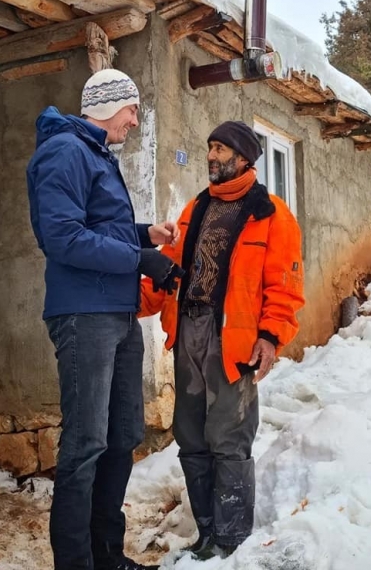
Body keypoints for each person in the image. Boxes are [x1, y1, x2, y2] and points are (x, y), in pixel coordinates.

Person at [27, 68, 184, 570]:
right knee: (86, 443)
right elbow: (63, 238)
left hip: (118, 312)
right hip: (83, 314)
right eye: (133, 110)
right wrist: (139, 259)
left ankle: (107, 554)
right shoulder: (64, 151)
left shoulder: (95, 153)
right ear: (108, 105)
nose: (135, 122)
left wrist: (144, 236)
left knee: (122, 437)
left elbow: (100, 229)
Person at [141, 120, 305, 559]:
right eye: (210, 147)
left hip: (233, 339)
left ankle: (231, 540)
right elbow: (167, 271)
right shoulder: (195, 208)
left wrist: (270, 337)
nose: (211, 156)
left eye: (220, 149)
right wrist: (122, 299)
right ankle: (207, 531)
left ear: (244, 158)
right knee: (190, 434)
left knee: (229, 436)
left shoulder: (270, 214)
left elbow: (285, 288)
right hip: (188, 331)